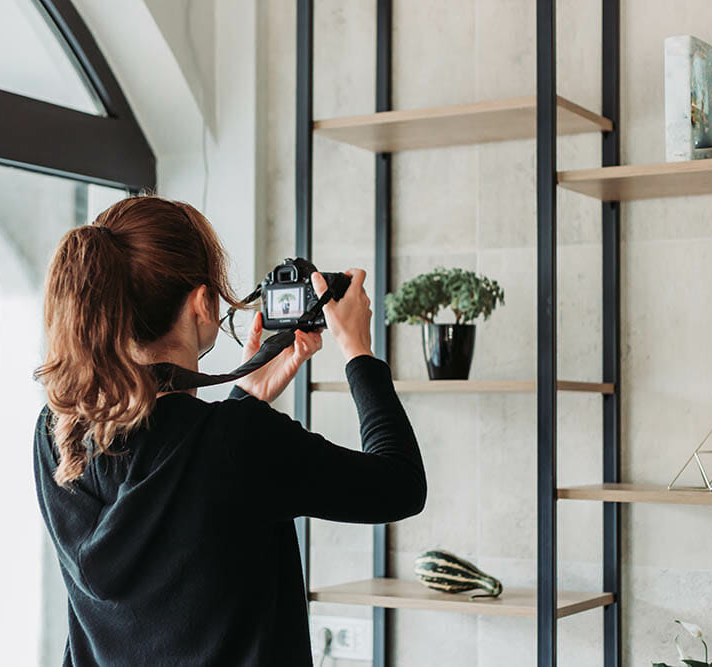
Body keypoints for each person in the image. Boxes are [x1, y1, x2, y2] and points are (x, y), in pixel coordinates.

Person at [33, 195, 426, 666]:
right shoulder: (239, 442)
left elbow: (174, 497)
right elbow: (400, 485)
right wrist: (358, 350)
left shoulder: (59, 433)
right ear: (202, 304)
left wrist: (245, 399)